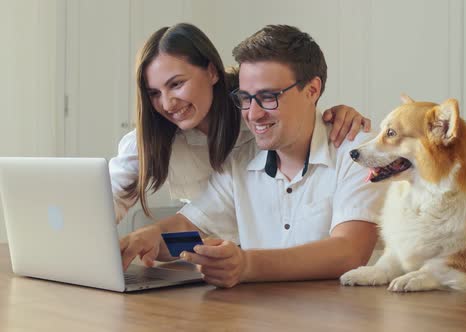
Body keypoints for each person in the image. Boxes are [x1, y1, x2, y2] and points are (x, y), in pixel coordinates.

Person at [119, 24, 388, 288]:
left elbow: (349, 251)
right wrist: (151, 237)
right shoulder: (241, 160)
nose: (254, 114)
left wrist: (246, 264)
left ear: (312, 90)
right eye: (246, 98)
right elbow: (191, 229)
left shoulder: (357, 152)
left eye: (268, 97)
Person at [109, 23, 371, 223]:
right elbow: (106, 202)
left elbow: (302, 116)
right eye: (154, 93)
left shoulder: (262, 122)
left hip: (271, 261)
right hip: (215, 263)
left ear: (212, 71)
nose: (167, 104)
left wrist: (334, 115)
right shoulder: (150, 141)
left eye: (176, 84)